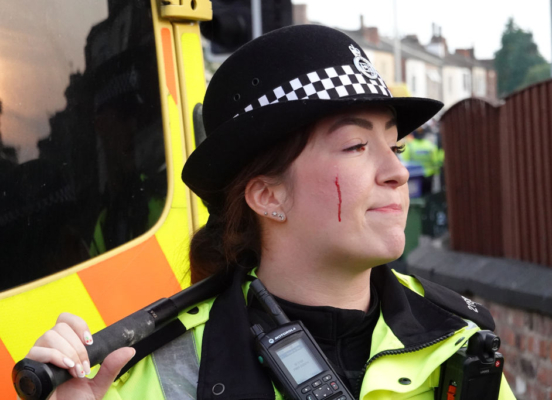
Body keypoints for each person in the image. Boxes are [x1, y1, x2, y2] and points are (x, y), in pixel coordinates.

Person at [23, 25, 517, 400]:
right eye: (356, 146)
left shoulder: (463, 338)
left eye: (397, 147)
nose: (397, 173)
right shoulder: (150, 371)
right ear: (267, 196)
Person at [401, 126, 441, 196]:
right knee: (428, 194)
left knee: (415, 195)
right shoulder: (430, 146)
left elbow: (404, 160)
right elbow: (436, 160)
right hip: (429, 175)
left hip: (414, 176)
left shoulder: (409, 146)